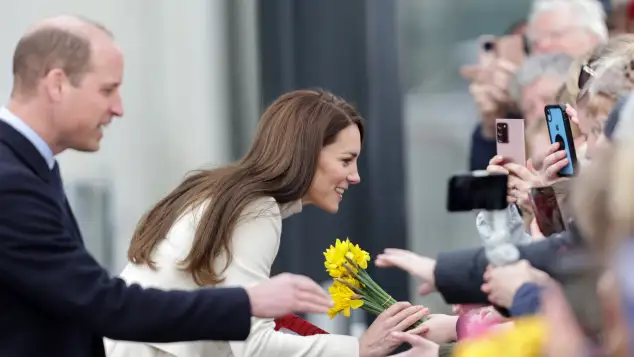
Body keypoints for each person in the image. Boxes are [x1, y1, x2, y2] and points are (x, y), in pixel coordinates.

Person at [0, 15, 334, 357]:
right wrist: (247, 301)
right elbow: (101, 302)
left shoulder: (30, 167)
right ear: (56, 84)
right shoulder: (10, 183)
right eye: (107, 89)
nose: (118, 108)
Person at [105, 88, 431, 357]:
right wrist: (358, 348)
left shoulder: (231, 194)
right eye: (346, 160)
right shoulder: (256, 210)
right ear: (305, 153)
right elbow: (255, 345)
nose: (355, 176)